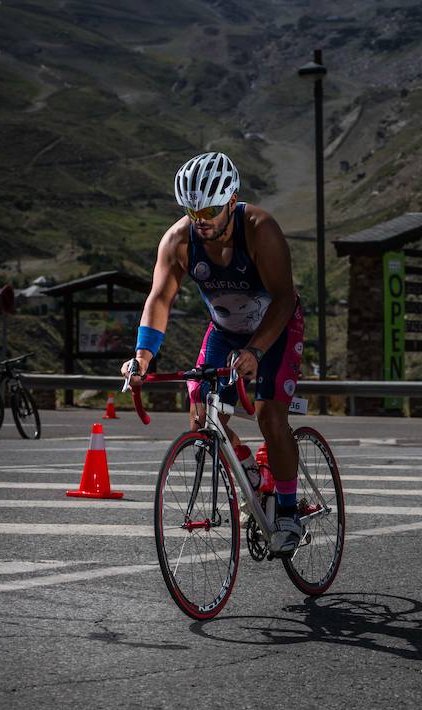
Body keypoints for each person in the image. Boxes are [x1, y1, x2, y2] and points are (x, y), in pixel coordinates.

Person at [121, 151, 304, 555]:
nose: (201, 219)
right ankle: (251, 473)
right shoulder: (178, 240)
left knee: (270, 414)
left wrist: (257, 350)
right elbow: (160, 299)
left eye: (210, 209)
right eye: (192, 210)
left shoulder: (260, 229)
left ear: (232, 201)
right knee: (202, 409)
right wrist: (143, 356)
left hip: (275, 326)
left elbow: (283, 298)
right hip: (225, 329)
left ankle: (289, 511)